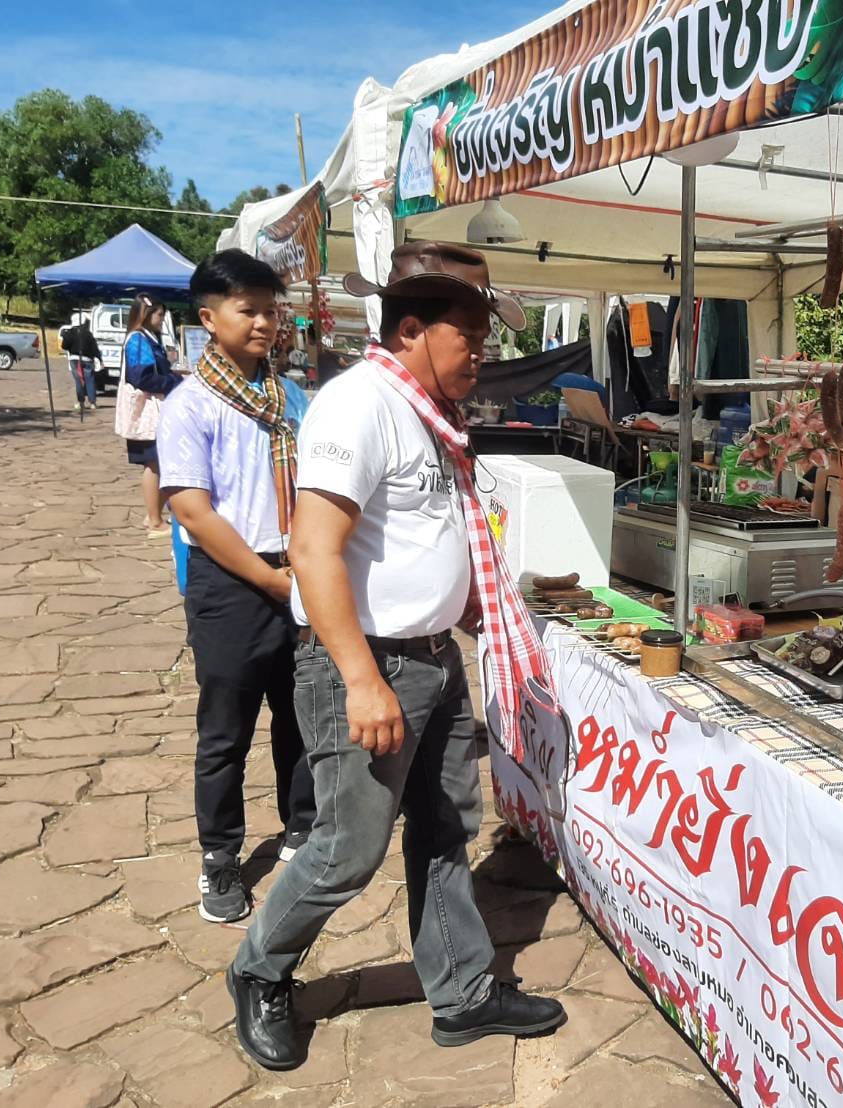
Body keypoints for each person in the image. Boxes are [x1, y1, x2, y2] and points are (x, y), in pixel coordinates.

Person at [227, 241, 565, 1070]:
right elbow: (312, 552)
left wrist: (476, 614)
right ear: (411, 328)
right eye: (471, 335)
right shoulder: (359, 406)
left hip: (429, 659)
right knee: (347, 848)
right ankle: (258, 969)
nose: (483, 354)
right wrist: (360, 680)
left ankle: (461, 993)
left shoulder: (429, 414)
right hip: (369, 665)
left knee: (447, 828)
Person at [157, 250, 318, 925]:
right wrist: (268, 580)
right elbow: (192, 510)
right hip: (231, 582)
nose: (263, 322)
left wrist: (303, 573)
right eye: (247, 310)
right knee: (224, 731)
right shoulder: (190, 405)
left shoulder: (291, 399)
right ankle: (220, 858)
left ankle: (302, 827)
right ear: (208, 317)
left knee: (302, 716)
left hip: (298, 570)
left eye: (269, 309)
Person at [121, 294, 183, 534]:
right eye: (159, 314)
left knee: (157, 462)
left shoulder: (147, 338)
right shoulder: (138, 340)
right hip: (147, 410)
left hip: (154, 407)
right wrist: (174, 380)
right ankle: (154, 518)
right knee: (153, 463)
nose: (162, 319)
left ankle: (154, 516)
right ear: (146, 315)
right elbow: (142, 377)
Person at [59, 313, 101, 411]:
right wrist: (99, 358)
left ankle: (80, 402)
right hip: (87, 360)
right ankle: (93, 403)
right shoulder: (88, 333)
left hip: (74, 359)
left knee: (78, 381)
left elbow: (64, 346)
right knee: (90, 380)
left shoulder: (69, 333)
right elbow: (94, 347)